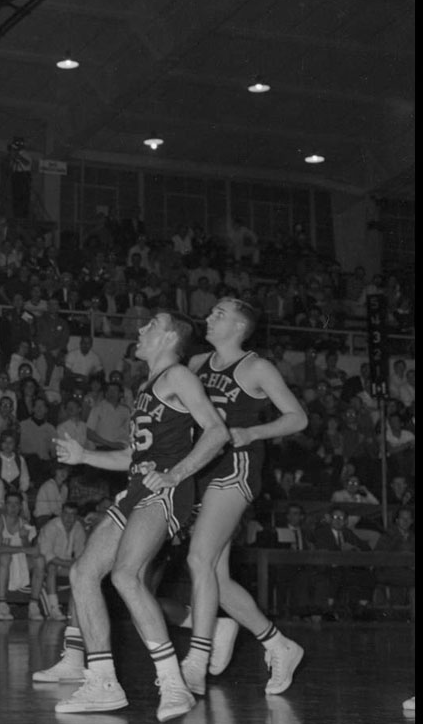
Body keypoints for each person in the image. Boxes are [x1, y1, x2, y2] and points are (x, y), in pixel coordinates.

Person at [40, 312, 228, 721]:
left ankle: (174, 684)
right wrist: (84, 456)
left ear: (168, 338)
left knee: (126, 575)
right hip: (138, 489)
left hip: (168, 490)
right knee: (82, 573)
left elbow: (217, 433)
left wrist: (175, 474)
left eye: (150, 326)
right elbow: (133, 455)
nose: (141, 330)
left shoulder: (179, 377)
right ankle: (103, 681)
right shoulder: (146, 387)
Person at [178, 298, 308, 697]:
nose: (209, 317)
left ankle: (196, 659)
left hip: (237, 469)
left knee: (198, 558)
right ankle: (278, 644)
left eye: (219, 314)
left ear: (239, 327)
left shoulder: (255, 367)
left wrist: (252, 433)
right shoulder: (198, 364)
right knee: (214, 575)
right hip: (204, 469)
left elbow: (297, 417)